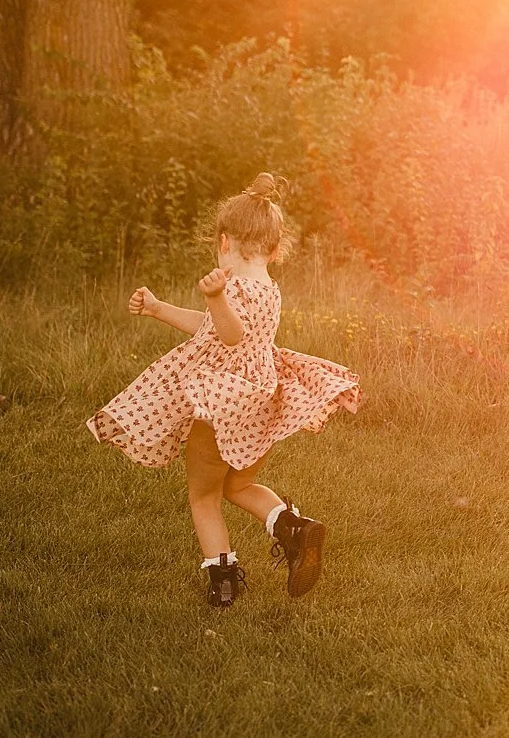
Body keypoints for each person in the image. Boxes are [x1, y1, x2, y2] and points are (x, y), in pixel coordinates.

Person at [88, 173, 360, 607]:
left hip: (224, 404)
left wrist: (215, 297)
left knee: (204, 495)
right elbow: (213, 329)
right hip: (261, 400)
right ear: (275, 250)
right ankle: (293, 527)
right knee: (239, 486)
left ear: (224, 242)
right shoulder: (269, 289)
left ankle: (225, 583)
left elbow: (229, 334)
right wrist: (158, 309)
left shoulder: (231, 287)